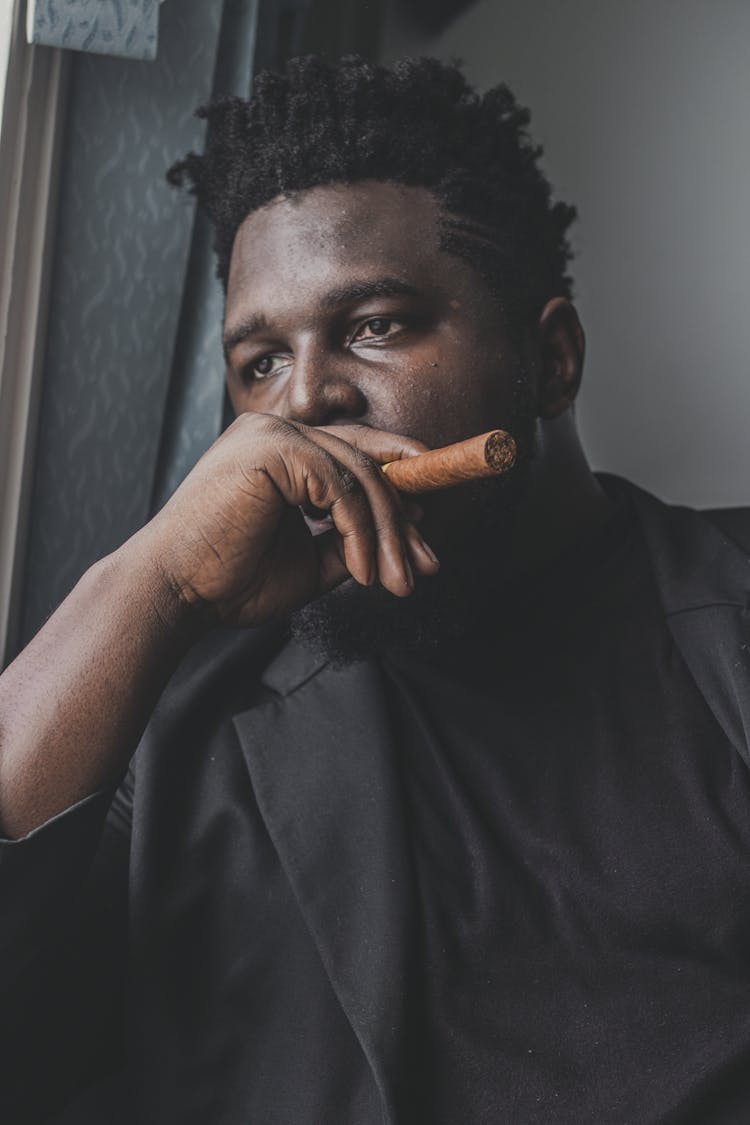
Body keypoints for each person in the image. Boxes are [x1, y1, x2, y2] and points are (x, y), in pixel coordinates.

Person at [2, 54, 750, 1125]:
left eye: (377, 325)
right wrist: (146, 579)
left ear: (551, 361)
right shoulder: (180, 736)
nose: (304, 401)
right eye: (259, 362)